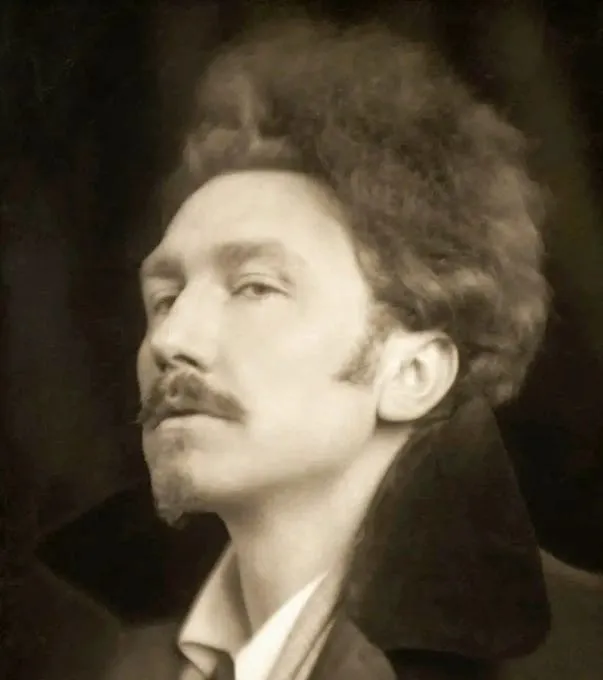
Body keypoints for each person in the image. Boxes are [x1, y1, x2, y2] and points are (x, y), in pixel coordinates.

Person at [116, 14, 552, 680]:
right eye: (165, 298)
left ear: (412, 372)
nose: (171, 340)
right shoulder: (129, 665)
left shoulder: (565, 656)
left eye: (255, 288)